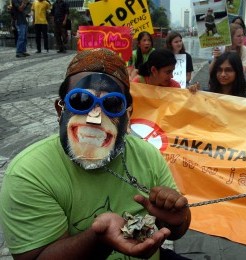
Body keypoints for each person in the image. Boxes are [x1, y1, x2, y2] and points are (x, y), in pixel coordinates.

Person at [0, 48, 191, 259]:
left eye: (112, 105)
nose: (94, 118)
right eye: (81, 101)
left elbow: (175, 230)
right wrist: (97, 238)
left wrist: (178, 219)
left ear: (127, 116)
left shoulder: (147, 155)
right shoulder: (29, 173)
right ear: (59, 110)